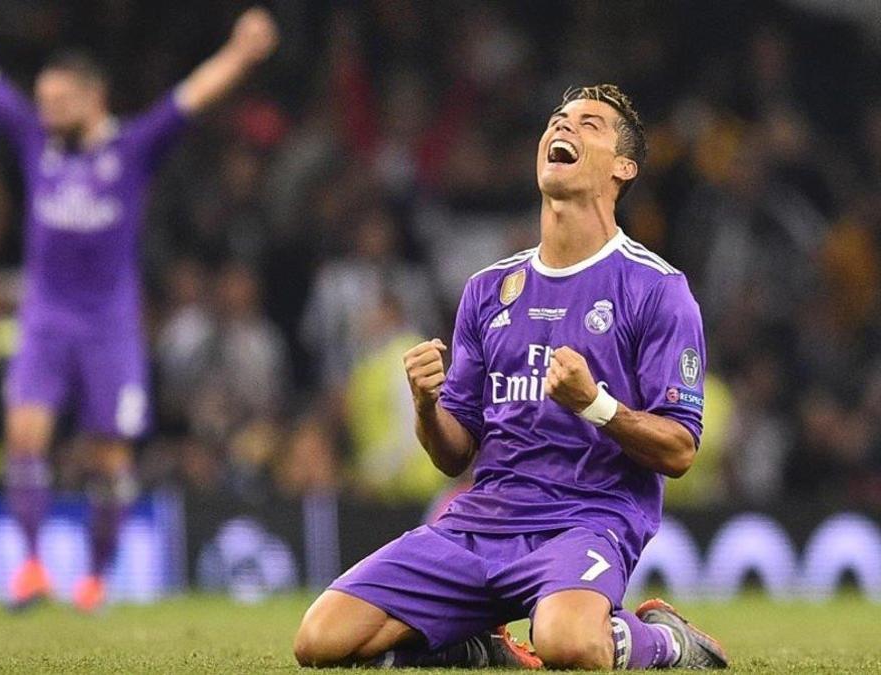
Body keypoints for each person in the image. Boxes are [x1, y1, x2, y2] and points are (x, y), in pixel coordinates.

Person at [293, 84, 729, 670]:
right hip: (482, 521)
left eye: (589, 124)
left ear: (623, 168)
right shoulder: (488, 290)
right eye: (558, 120)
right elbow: (454, 456)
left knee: (569, 646)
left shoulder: (656, 289)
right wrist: (427, 405)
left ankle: (667, 641)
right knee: (320, 642)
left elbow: (679, 450)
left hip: (587, 520)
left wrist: (596, 405)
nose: (564, 129)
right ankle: (475, 647)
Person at [0, 0, 278, 611]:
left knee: (109, 461)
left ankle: (96, 578)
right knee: (23, 437)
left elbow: (192, 96)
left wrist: (239, 52)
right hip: (46, 319)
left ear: (90, 97)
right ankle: (30, 568)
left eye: (57, 102)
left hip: (110, 327)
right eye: (41, 102)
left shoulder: (133, 147)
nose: (44, 112)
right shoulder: (33, 140)